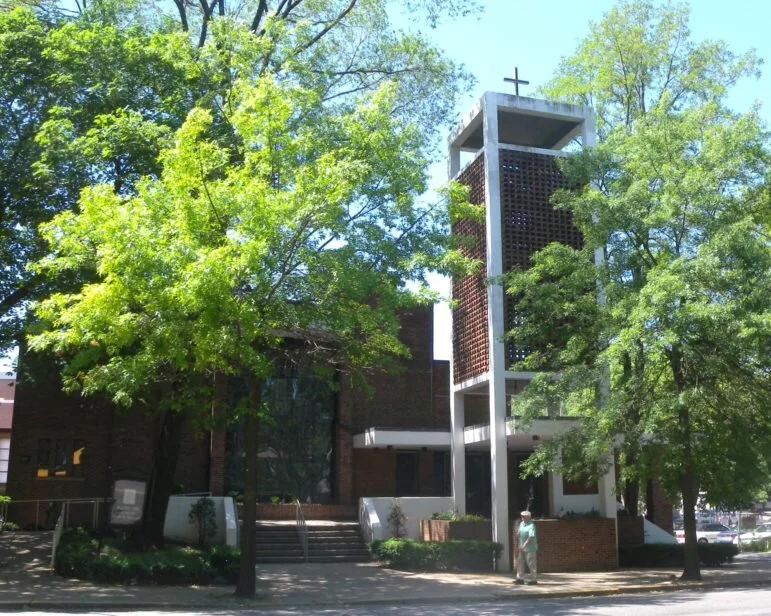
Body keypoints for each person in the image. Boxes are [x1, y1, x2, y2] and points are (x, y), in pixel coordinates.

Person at [514, 510, 538, 585]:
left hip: (530, 548)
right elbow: (518, 533)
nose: (522, 518)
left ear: (528, 517)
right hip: (521, 547)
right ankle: (520, 579)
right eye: (521, 516)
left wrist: (524, 545)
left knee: (531, 564)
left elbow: (530, 537)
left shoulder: (531, 525)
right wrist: (517, 543)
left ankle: (534, 580)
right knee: (520, 563)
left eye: (524, 516)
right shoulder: (521, 524)